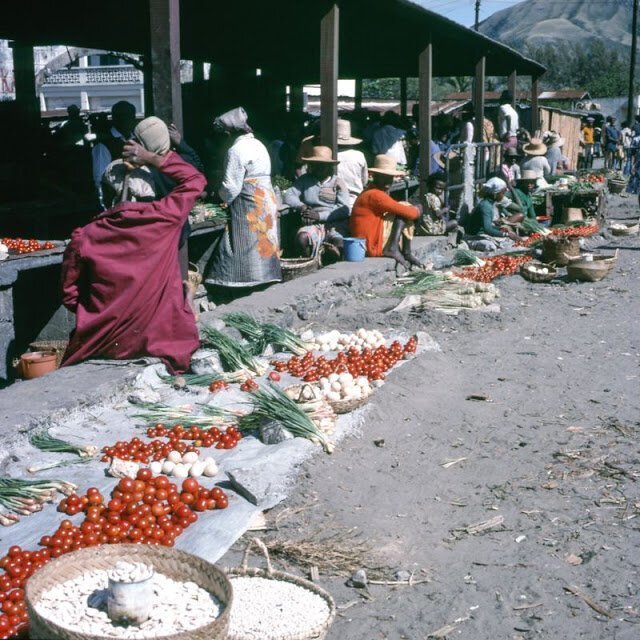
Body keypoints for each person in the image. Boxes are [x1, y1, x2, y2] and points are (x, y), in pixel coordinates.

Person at [61, 133, 206, 374]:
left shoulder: (85, 236)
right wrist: (151, 157)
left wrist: (107, 308)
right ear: (151, 191)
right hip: (163, 341)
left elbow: (70, 296)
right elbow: (194, 179)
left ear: (106, 196)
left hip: (104, 344)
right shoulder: (164, 219)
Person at [205, 107, 281, 290]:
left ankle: (247, 280)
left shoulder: (236, 150)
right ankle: (267, 277)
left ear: (228, 132)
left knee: (247, 243)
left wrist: (217, 198)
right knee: (264, 237)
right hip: (265, 197)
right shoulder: (259, 144)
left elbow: (231, 187)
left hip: (249, 202)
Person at [350, 154, 422, 269]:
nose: (388, 181)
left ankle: (405, 252)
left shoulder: (372, 191)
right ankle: (394, 249)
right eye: (384, 177)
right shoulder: (375, 195)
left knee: (404, 208)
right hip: (371, 245)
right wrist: (418, 210)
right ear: (375, 176)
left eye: (390, 177)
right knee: (405, 208)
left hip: (369, 240)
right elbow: (410, 213)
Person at [283, 146, 350, 259]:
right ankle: (309, 261)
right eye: (314, 164)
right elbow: (289, 195)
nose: (317, 168)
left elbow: (344, 209)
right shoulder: (305, 180)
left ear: (329, 166)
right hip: (311, 223)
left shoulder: (338, 183)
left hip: (333, 223)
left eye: (322, 165)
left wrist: (319, 216)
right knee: (302, 238)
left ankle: (332, 257)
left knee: (339, 243)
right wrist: (302, 207)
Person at [92, 101, 137, 207]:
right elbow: (100, 179)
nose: (130, 120)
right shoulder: (104, 145)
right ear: (115, 118)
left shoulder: (137, 141)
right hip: (115, 201)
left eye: (131, 116)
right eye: (124, 117)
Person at [463, 177, 519, 252]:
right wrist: (506, 234)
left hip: (482, 235)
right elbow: (487, 229)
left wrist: (503, 230)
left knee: (508, 242)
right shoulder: (485, 206)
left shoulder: (489, 203)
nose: (503, 196)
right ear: (495, 194)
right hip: (472, 237)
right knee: (491, 247)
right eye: (502, 193)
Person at [336, 119, 368, 209]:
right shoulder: (359, 155)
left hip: (335, 202)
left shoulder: (330, 155)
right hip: (356, 201)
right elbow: (364, 180)